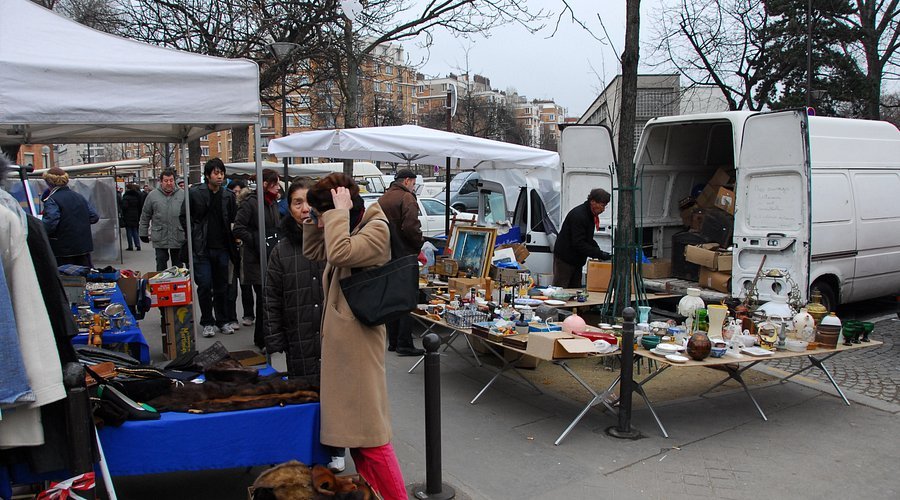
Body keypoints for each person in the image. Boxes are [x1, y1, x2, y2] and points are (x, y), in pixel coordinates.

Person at [303, 174, 407, 498]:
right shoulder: (348, 227)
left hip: (360, 348)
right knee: (359, 442)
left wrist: (336, 215)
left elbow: (339, 254)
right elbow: (314, 250)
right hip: (345, 348)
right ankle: (375, 492)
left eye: (324, 217)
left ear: (346, 209)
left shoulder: (376, 229)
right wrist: (315, 219)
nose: (322, 225)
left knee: (372, 439)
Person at [263, 178, 346, 472]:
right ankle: (307, 448)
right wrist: (274, 341)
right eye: (297, 203)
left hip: (331, 333)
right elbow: (271, 298)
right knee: (304, 394)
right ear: (289, 207)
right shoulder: (281, 250)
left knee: (334, 394)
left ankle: (337, 448)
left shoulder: (333, 241)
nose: (304, 209)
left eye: (308, 202)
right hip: (298, 334)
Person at [181, 158, 238, 338]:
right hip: (202, 248)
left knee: (222, 286)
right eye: (216, 173)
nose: (220, 176)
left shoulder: (228, 196)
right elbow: (184, 216)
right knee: (204, 285)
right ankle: (207, 321)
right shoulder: (195, 193)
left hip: (222, 247)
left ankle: (222, 320)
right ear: (208, 175)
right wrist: (194, 234)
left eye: (221, 172)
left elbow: (233, 220)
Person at [377, 169, 425, 357]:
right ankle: (404, 343)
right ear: (407, 181)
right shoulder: (407, 198)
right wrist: (418, 244)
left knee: (392, 298)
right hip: (404, 255)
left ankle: (394, 341)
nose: (414, 186)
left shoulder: (384, 198)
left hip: (387, 255)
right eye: (413, 183)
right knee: (406, 300)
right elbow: (411, 226)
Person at [233, 169, 281, 347]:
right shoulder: (251, 203)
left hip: (271, 255)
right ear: (265, 184)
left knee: (269, 300)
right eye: (275, 184)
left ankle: (266, 337)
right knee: (263, 299)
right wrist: (256, 239)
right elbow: (238, 229)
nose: (278, 188)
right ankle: (261, 339)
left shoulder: (273, 203)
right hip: (255, 259)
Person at [40, 166, 100, 267]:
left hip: (62, 248)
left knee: (66, 278)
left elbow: (50, 223)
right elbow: (94, 216)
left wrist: (39, 229)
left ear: (48, 182)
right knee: (85, 277)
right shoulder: (79, 197)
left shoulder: (52, 199)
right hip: (83, 246)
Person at [552, 188, 612, 288]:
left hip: (576, 259)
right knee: (561, 289)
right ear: (593, 202)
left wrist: (598, 251)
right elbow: (579, 243)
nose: (603, 209)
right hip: (565, 258)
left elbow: (587, 238)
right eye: (602, 205)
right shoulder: (580, 215)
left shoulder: (590, 215)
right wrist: (598, 253)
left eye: (604, 206)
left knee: (575, 289)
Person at [139, 169, 185, 270]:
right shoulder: (152, 196)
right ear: (161, 181)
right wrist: (143, 233)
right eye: (166, 180)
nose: (169, 183)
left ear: (174, 181)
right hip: (160, 236)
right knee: (161, 262)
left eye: (171, 180)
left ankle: (177, 284)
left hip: (178, 236)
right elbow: (145, 215)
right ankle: (161, 284)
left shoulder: (183, 195)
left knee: (178, 265)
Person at [225, 179, 254, 331]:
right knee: (231, 287)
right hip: (230, 251)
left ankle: (249, 315)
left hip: (244, 251)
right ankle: (231, 318)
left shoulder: (248, 207)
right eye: (233, 191)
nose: (236, 195)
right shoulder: (227, 207)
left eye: (238, 191)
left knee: (246, 285)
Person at [120, 183, 144, 251]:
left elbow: (124, 206)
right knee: (135, 230)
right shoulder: (137, 196)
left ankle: (130, 246)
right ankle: (138, 245)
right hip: (135, 215)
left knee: (129, 231)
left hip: (128, 215)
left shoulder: (126, 197)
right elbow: (140, 206)